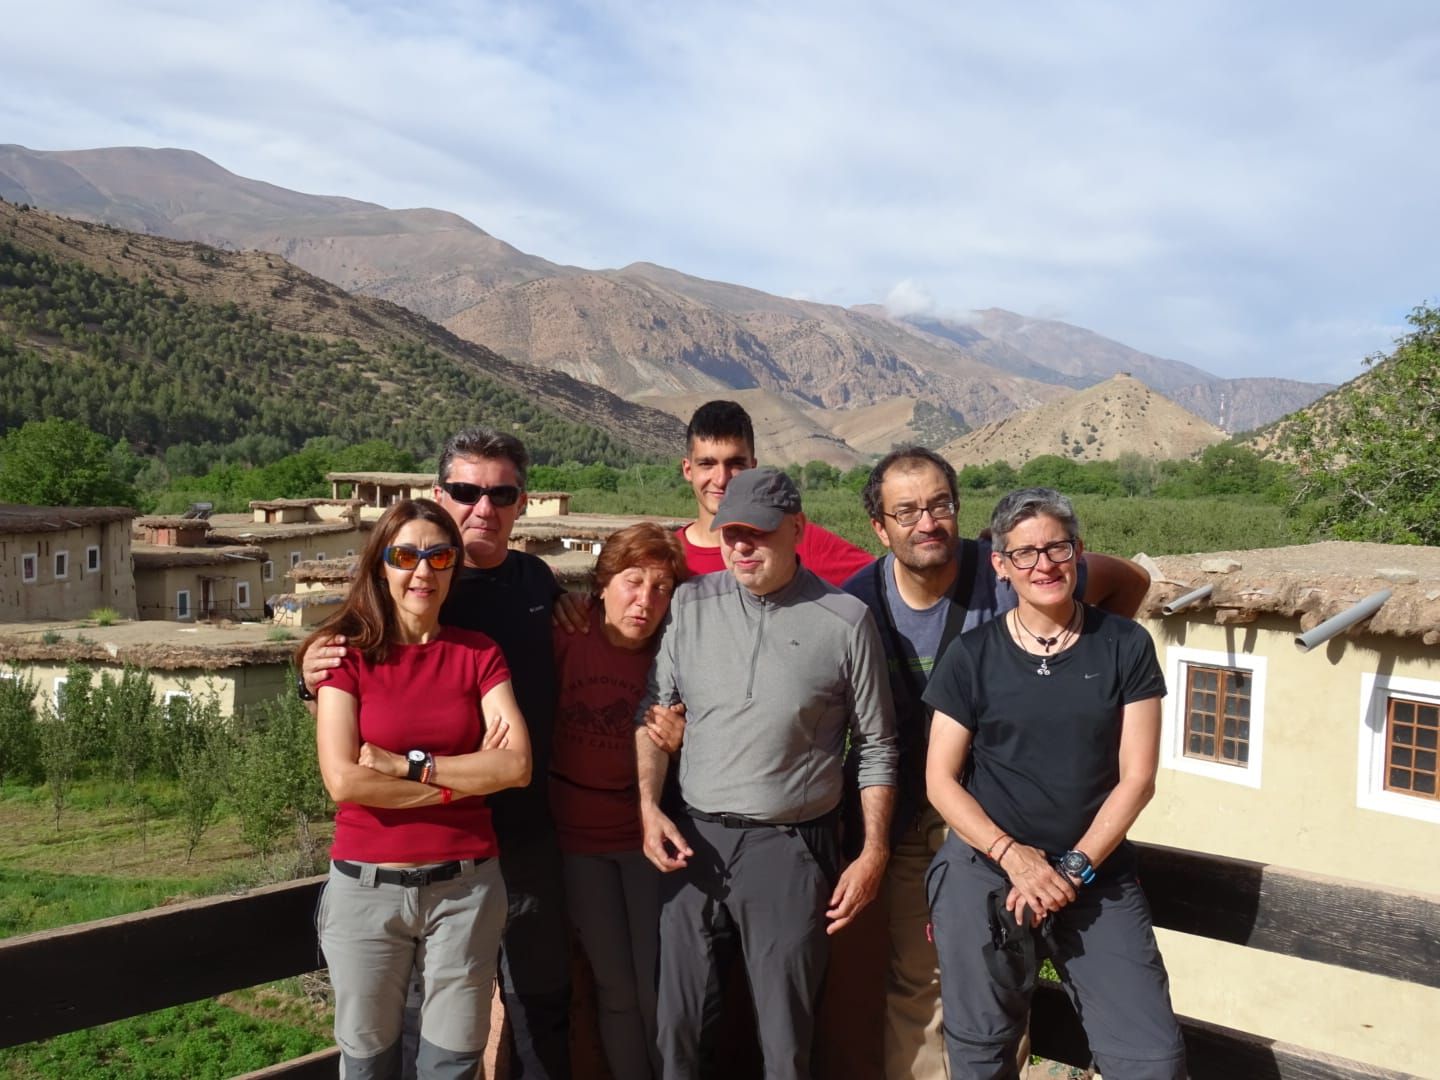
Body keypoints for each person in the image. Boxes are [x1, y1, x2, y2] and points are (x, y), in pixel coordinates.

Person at [841, 448, 1152, 1080]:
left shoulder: (1010, 569)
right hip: (909, 811)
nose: (927, 522)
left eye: (940, 505)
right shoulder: (858, 603)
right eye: (907, 511)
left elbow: (1129, 581)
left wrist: (1084, 674)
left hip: (995, 814)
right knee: (920, 982)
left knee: (1002, 986)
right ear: (880, 527)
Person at [303, 429, 571, 1079]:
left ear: (521, 501)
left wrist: (409, 768)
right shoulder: (359, 639)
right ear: (439, 494)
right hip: (405, 860)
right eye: (466, 490)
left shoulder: (534, 584)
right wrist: (308, 676)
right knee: (397, 1037)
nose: (484, 506)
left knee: (535, 1009)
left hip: (511, 847)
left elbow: (516, 762)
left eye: (500, 493)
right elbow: (345, 774)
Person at [635, 466, 898, 1080]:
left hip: (790, 848)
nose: (741, 547)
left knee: (785, 1043)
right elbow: (652, 714)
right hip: (692, 842)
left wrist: (873, 851)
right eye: (731, 534)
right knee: (678, 1031)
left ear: (797, 529)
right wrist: (647, 807)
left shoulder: (845, 619)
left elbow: (878, 746)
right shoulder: (690, 605)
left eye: (758, 533)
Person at [923, 488, 1186, 1079]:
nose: (1043, 564)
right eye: (1024, 553)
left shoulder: (1123, 645)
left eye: (1056, 548)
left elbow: (1138, 778)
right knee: (981, 1051)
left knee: (1152, 1059)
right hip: (986, 873)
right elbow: (940, 779)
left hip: (1094, 877)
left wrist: (1072, 869)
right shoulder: (971, 656)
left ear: (1078, 551)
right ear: (1001, 565)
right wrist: (1012, 855)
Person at [550, 523, 689, 1080]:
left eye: (661, 588)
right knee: (615, 988)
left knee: (660, 986)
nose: (645, 600)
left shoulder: (674, 653)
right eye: (633, 582)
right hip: (577, 838)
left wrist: (686, 740)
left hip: (646, 840)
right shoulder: (566, 635)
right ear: (602, 584)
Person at [676, 400, 873, 583]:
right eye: (707, 464)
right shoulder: (667, 557)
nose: (721, 480)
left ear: (753, 467)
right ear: (688, 470)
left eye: (735, 464)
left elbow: (881, 582)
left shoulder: (795, 537)